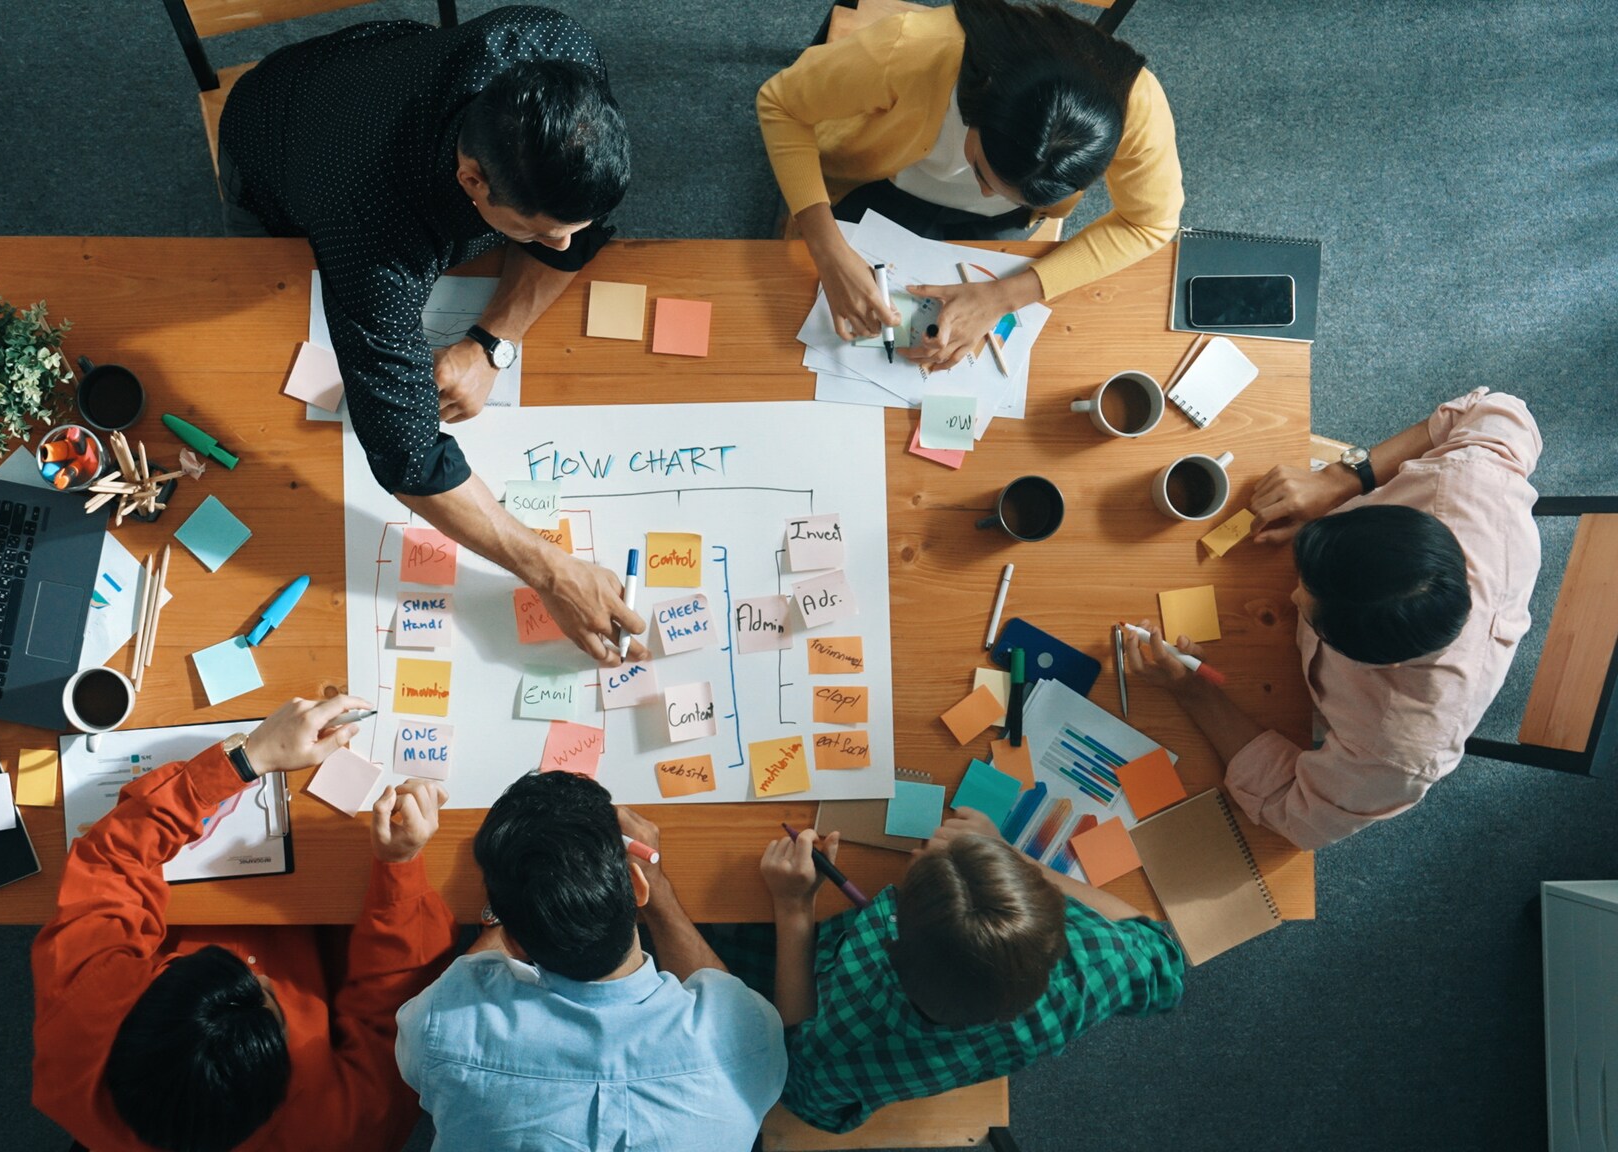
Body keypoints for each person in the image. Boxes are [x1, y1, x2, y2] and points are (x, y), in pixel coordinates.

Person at [217, 7, 644, 667]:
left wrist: (493, 342)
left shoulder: (559, 45)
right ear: (473, 179)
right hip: (278, 143)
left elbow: (577, 230)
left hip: (380, 66)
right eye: (539, 233)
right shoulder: (372, 230)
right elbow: (407, 454)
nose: (561, 248)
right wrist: (550, 570)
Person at [31, 694, 456, 1152]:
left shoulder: (81, 1027)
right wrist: (399, 865)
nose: (263, 975)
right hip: (332, 915)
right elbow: (397, 1006)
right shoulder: (343, 1135)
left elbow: (112, 863)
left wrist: (244, 760)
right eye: (274, 1005)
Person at [1125, 387, 1542, 850]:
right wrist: (1340, 481)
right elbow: (1500, 410)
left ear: (1370, 662)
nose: (1291, 592)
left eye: (1307, 601)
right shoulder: (1472, 486)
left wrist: (1194, 690)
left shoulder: (1400, 748)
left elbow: (1296, 815)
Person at [756, 0, 1182, 369]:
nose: (985, 196)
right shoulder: (911, 50)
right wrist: (827, 250)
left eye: (1008, 191)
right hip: (876, 180)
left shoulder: (1136, 111)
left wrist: (1004, 296)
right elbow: (780, 104)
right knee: (806, 305)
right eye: (980, 172)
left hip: (1006, 223)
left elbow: (1151, 225)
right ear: (977, 104)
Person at [396, 771, 787, 1150]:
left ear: (512, 943)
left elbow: (419, 1063)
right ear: (637, 886)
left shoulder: (443, 1022)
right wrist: (659, 889)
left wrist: (519, 902)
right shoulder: (745, 1031)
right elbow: (722, 994)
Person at [764, 809, 1184, 1133]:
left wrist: (794, 907)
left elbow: (800, 1090)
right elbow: (1165, 957)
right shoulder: (1097, 963)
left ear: (890, 938)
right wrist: (1008, 855)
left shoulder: (848, 1032)